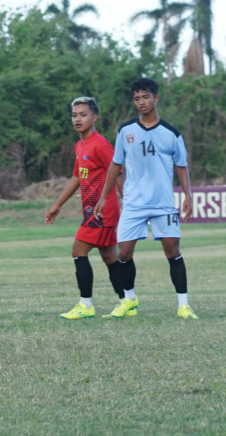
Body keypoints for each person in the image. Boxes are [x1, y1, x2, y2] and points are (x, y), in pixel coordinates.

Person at [94, 77, 197, 319]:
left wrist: (188, 196)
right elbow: (115, 165)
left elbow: (182, 166)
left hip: (162, 201)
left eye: (145, 97)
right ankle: (129, 301)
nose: (141, 102)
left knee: (172, 250)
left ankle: (183, 305)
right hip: (134, 202)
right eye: (137, 98)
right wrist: (103, 196)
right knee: (124, 254)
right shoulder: (125, 130)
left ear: (155, 98)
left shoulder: (171, 133)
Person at [45, 97, 127, 320]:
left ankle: (85, 305)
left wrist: (128, 203)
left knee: (78, 251)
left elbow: (117, 171)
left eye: (83, 114)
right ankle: (127, 300)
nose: (78, 119)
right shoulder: (80, 145)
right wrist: (57, 205)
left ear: (94, 117)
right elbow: (76, 177)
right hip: (92, 211)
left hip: (103, 211)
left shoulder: (100, 144)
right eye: (74, 115)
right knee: (110, 257)